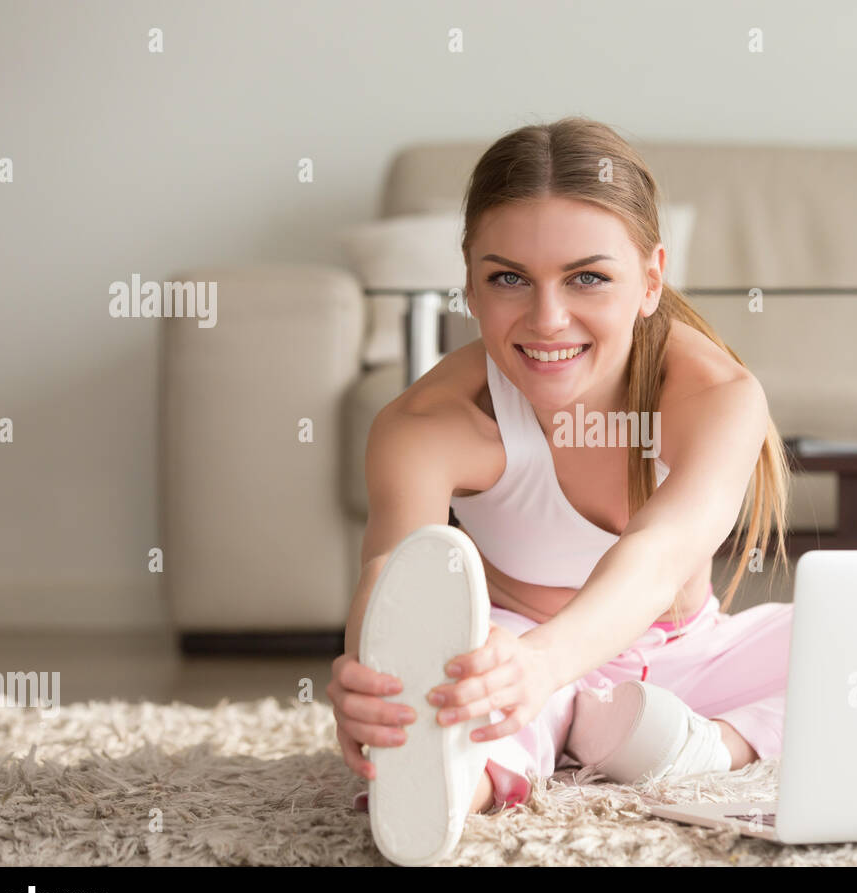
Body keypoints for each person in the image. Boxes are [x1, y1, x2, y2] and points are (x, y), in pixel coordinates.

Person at [328, 116, 794, 824]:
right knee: (466, 684)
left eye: (588, 279)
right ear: (472, 287)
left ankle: (707, 746)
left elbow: (659, 556)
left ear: (649, 280)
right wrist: (375, 681)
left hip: (686, 655)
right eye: (509, 278)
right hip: (509, 661)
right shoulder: (426, 425)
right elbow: (393, 569)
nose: (548, 319)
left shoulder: (719, 396)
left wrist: (550, 664)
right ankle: (454, 785)